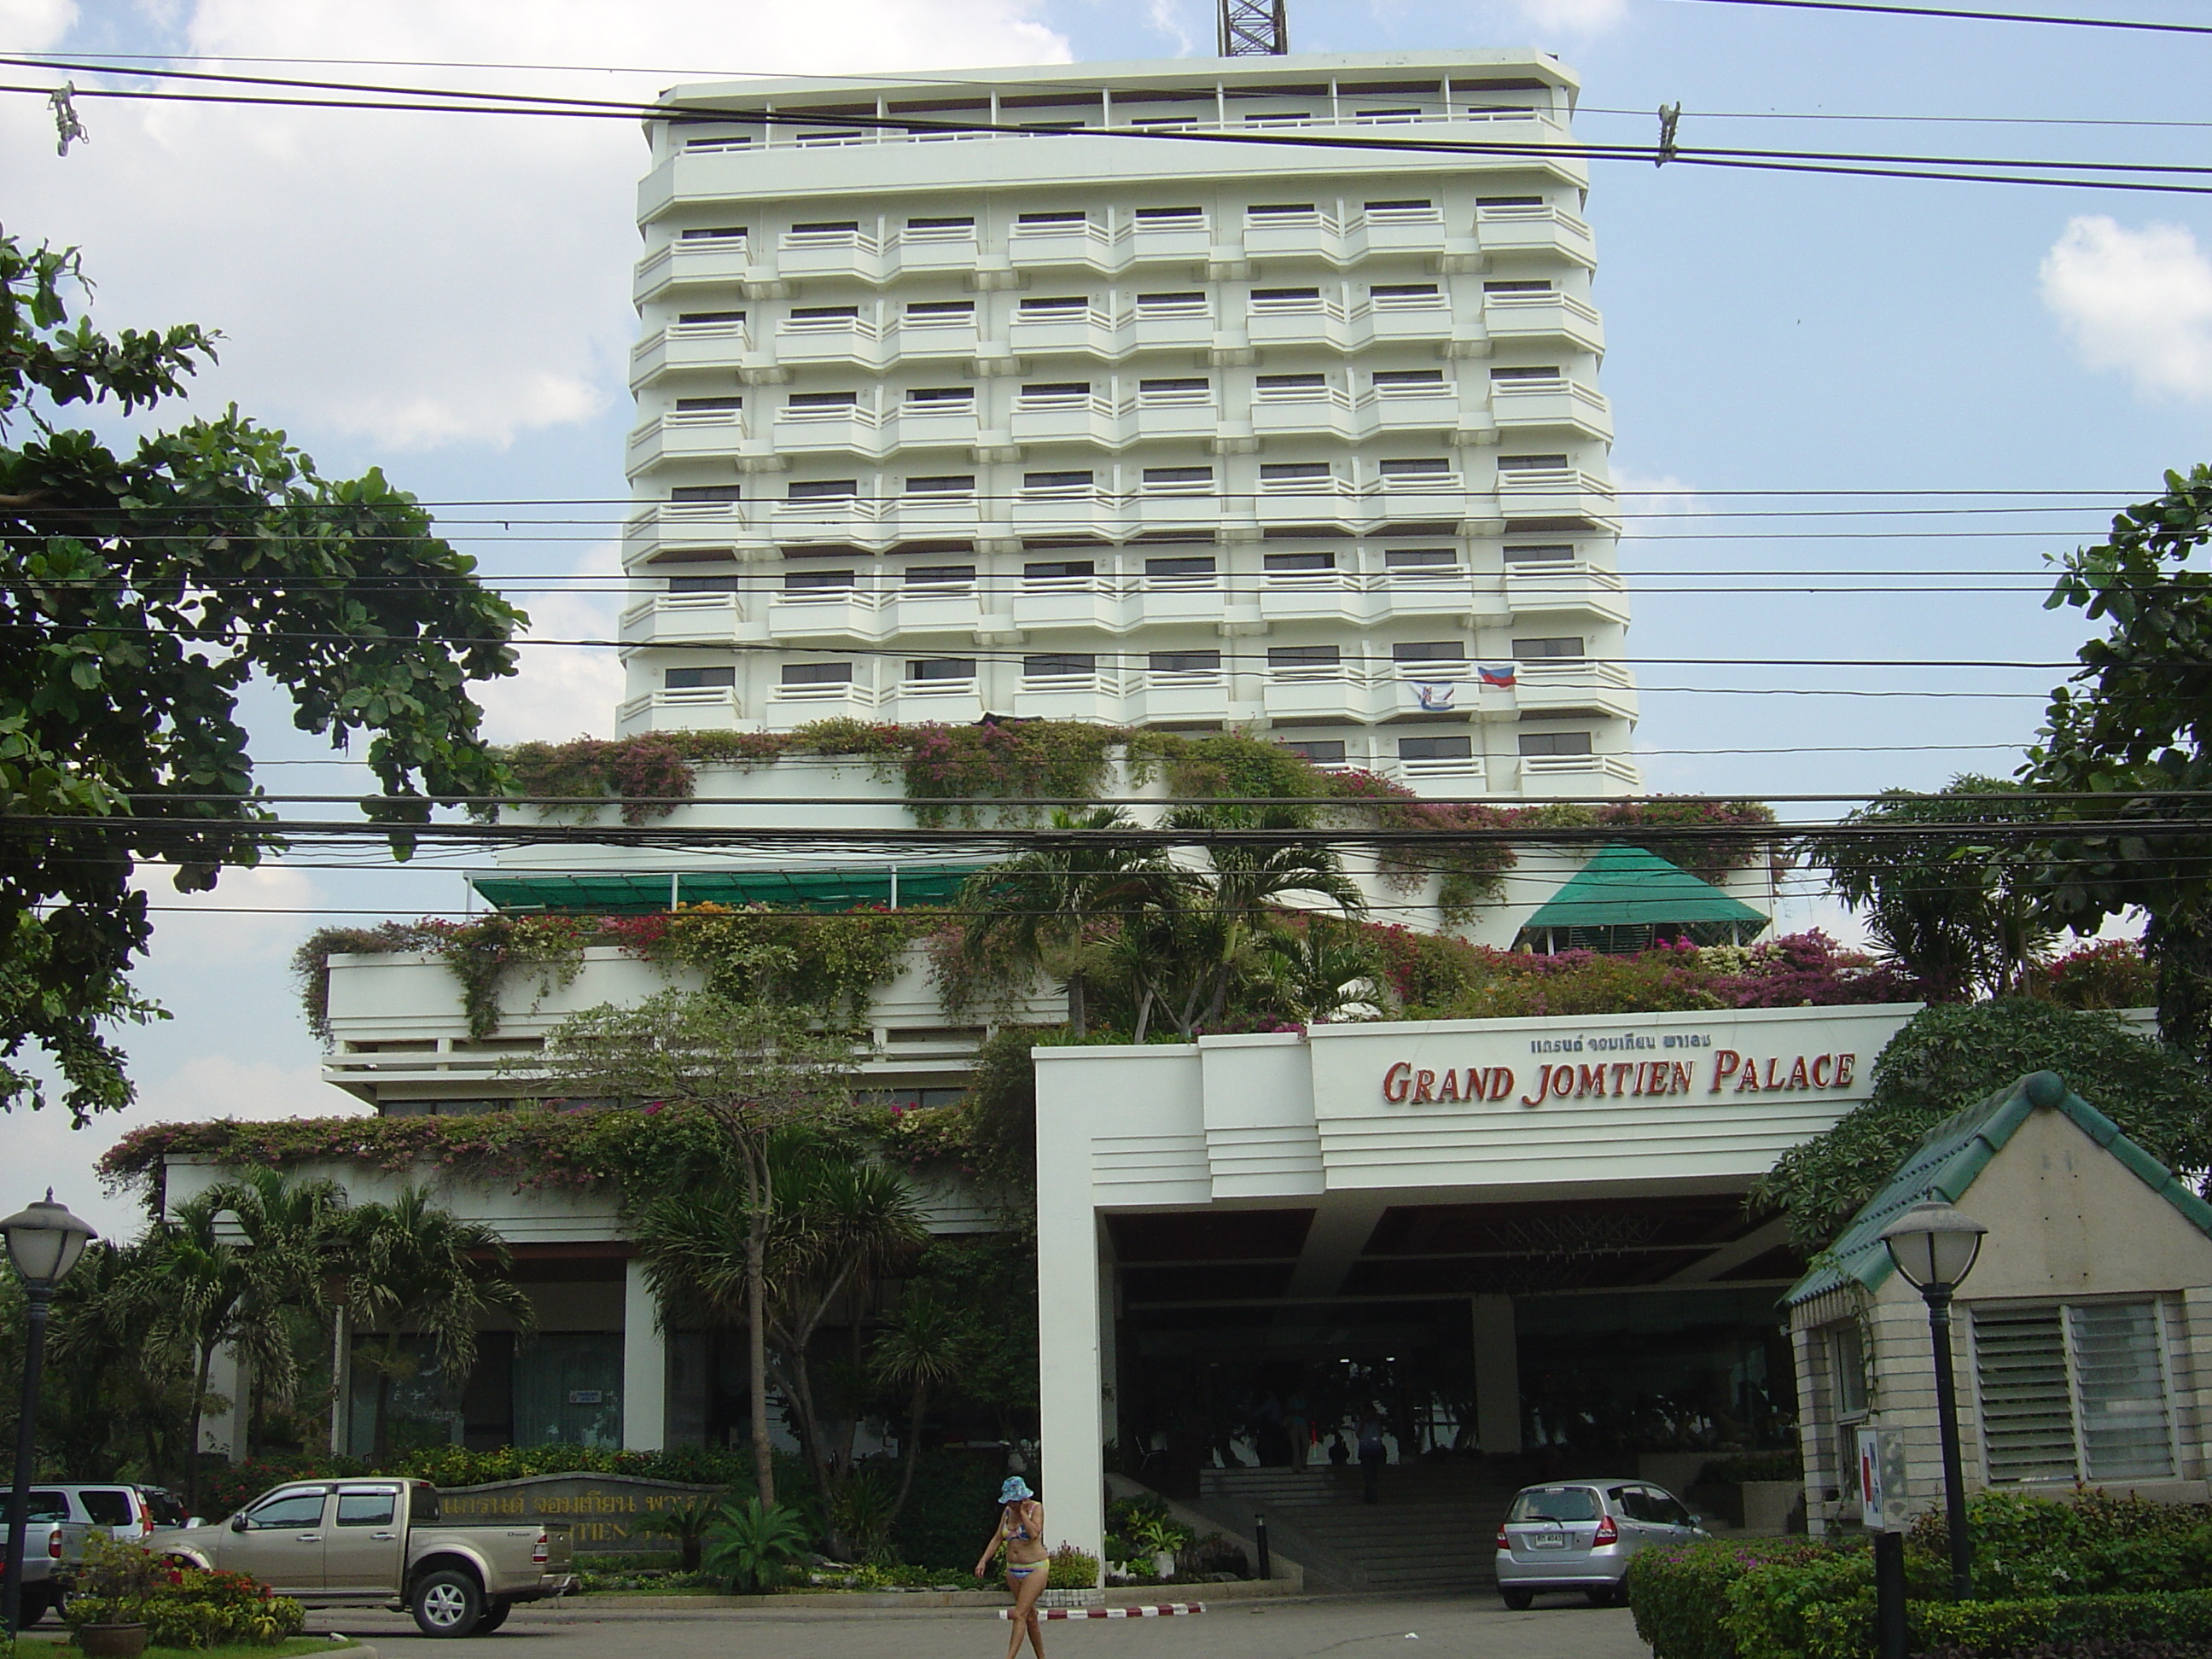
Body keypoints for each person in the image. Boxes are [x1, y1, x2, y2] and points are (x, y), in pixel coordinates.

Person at [975, 1476, 1051, 1659]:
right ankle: (1041, 1657)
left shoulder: (1035, 1508)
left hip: (1035, 1567)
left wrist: (1023, 1513)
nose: (1011, 1504)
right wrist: (984, 1560)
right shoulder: (1007, 1512)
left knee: (1019, 1613)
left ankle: (1009, 1657)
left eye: (1014, 1501)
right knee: (1029, 1616)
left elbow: (1033, 1534)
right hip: (1014, 1569)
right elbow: (998, 1538)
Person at [1357, 1412, 1388, 1504]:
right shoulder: (1359, 1424)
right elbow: (1359, 1434)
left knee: (1374, 1475)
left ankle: (1372, 1496)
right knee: (1368, 1475)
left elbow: (1381, 1434)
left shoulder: (1375, 1424)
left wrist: (1378, 1422)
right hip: (1365, 1452)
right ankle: (1370, 1496)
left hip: (1376, 1451)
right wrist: (1363, 1422)